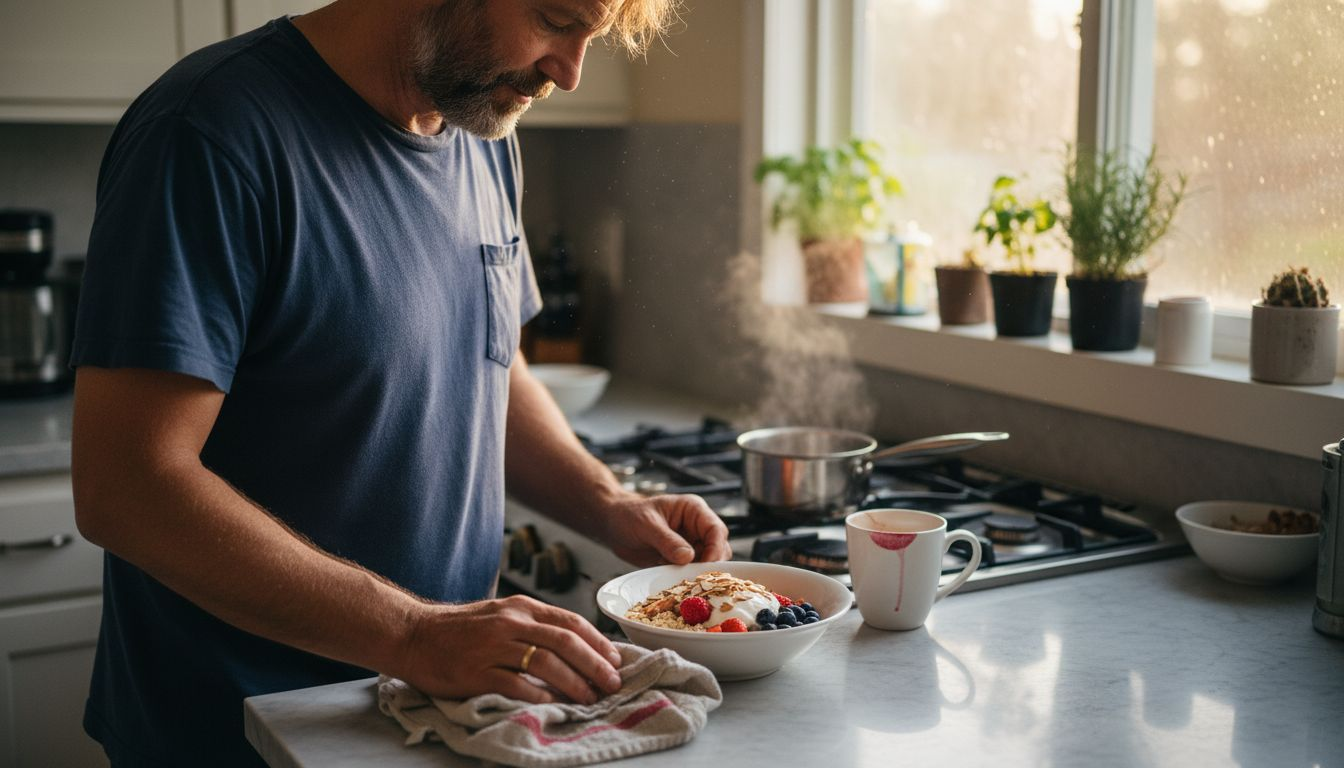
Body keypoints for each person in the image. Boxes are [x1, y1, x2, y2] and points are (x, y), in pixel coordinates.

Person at [68, 1, 731, 765]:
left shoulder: (481, 129)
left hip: (436, 717)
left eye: (594, 37)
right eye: (554, 19)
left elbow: (487, 362)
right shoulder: (209, 132)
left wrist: (606, 503)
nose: (570, 72)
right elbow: (128, 485)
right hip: (240, 731)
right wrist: (412, 633)